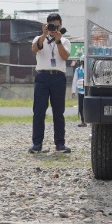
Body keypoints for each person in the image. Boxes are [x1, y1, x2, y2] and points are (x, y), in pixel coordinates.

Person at [30, 13, 70, 154]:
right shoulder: (39, 38)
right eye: (52, 25)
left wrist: (58, 41)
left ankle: (60, 144)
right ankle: (37, 144)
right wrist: (44, 34)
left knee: (58, 112)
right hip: (42, 77)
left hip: (58, 77)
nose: (54, 28)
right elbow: (34, 49)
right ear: (47, 25)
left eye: (57, 25)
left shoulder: (64, 41)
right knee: (39, 111)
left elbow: (65, 57)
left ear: (61, 25)